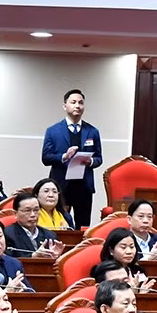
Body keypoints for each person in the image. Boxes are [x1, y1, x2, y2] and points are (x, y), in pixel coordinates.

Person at [40, 88, 102, 228]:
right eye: (73, 102)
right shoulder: (53, 131)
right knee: (60, 224)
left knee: (83, 225)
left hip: (84, 186)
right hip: (61, 186)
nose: (77, 106)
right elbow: (45, 158)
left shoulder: (92, 131)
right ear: (65, 106)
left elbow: (99, 158)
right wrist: (63, 156)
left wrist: (90, 161)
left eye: (80, 103)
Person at [5, 193, 61, 258]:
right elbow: (8, 262)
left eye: (36, 210)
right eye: (27, 210)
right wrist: (33, 256)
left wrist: (56, 257)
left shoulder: (50, 235)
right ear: (15, 214)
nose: (33, 215)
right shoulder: (7, 235)